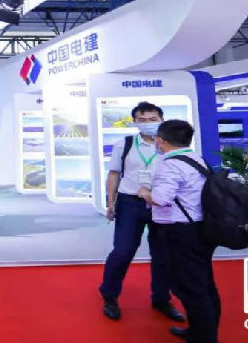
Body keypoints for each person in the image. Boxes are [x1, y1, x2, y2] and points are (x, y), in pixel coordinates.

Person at [99, 102, 183, 323]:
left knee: (163, 253)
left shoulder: (171, 145)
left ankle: (161, 299)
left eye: (152, 119)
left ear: (162, 120)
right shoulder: (124, 144)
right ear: (135, 122)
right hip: (131, 202)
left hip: (162, 203)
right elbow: (114, 173)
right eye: (142, 120)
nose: (147, 123)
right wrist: (111, 202)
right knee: (123, 251)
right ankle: (109, 296)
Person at [137, 120, 220, 343]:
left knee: (189, 286)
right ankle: (202, 330)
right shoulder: (197, 159)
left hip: (179, 232)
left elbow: (161, 199)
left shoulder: (170, 164)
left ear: (160, 141)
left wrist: (145, 193)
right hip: (200, 227)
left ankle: (204, 337)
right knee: (204, 282)